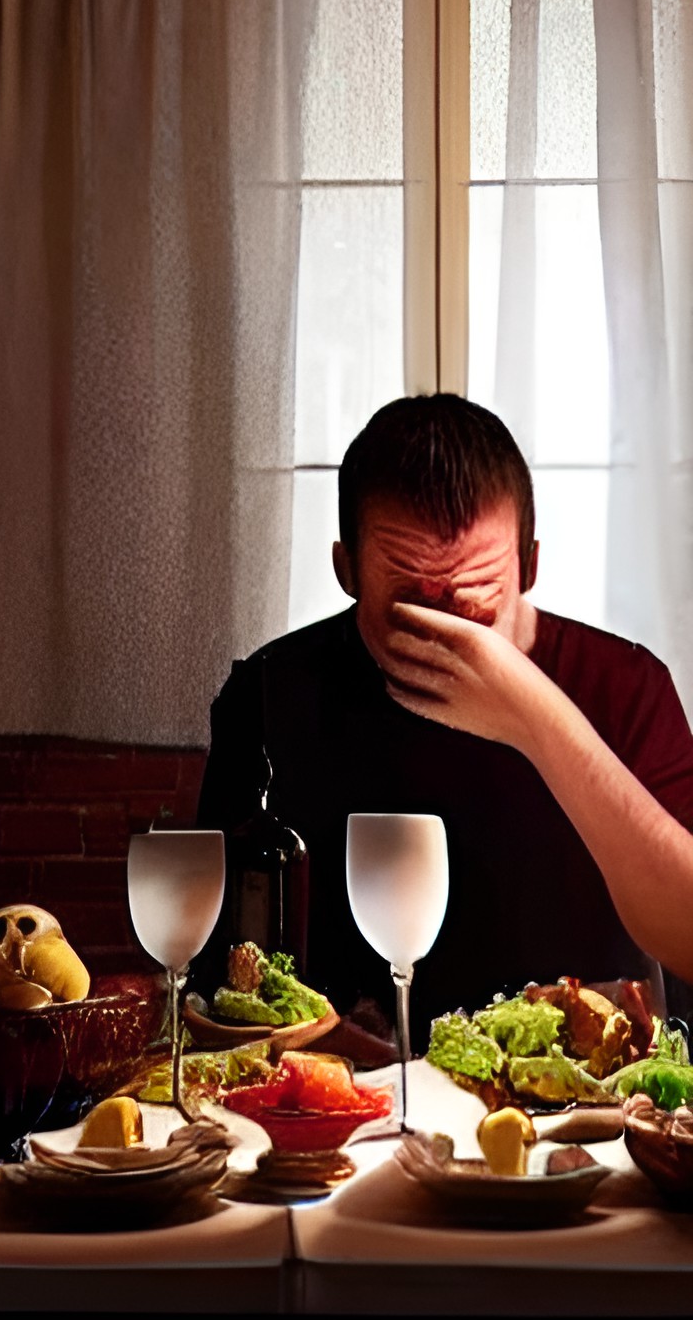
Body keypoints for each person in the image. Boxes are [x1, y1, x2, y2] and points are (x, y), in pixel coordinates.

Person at [196, 395, 693, 1050]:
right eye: (411, 612)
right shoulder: (271, 692)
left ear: (530, 566)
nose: (448, 642)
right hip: (351, 1102)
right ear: (347, 571)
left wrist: (534, 716)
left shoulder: (626, 686)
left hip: (575, 1101)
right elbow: (216, 977)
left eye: (475, 610)